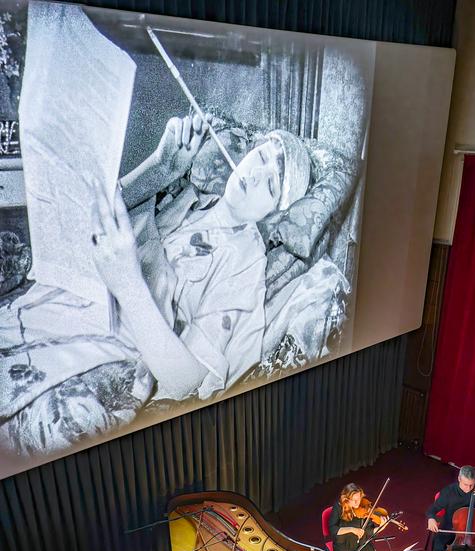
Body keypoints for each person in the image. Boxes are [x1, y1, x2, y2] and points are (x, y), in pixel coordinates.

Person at [0, 114, 311, 455]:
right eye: (261, 157)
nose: (254, 175)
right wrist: (159, 168)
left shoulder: (245, 266)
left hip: (111, 347)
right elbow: (92, 217)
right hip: (65, 300)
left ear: (274, 213)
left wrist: (128, 284)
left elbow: (186, 380)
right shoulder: (187, 191)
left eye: (270, 186)